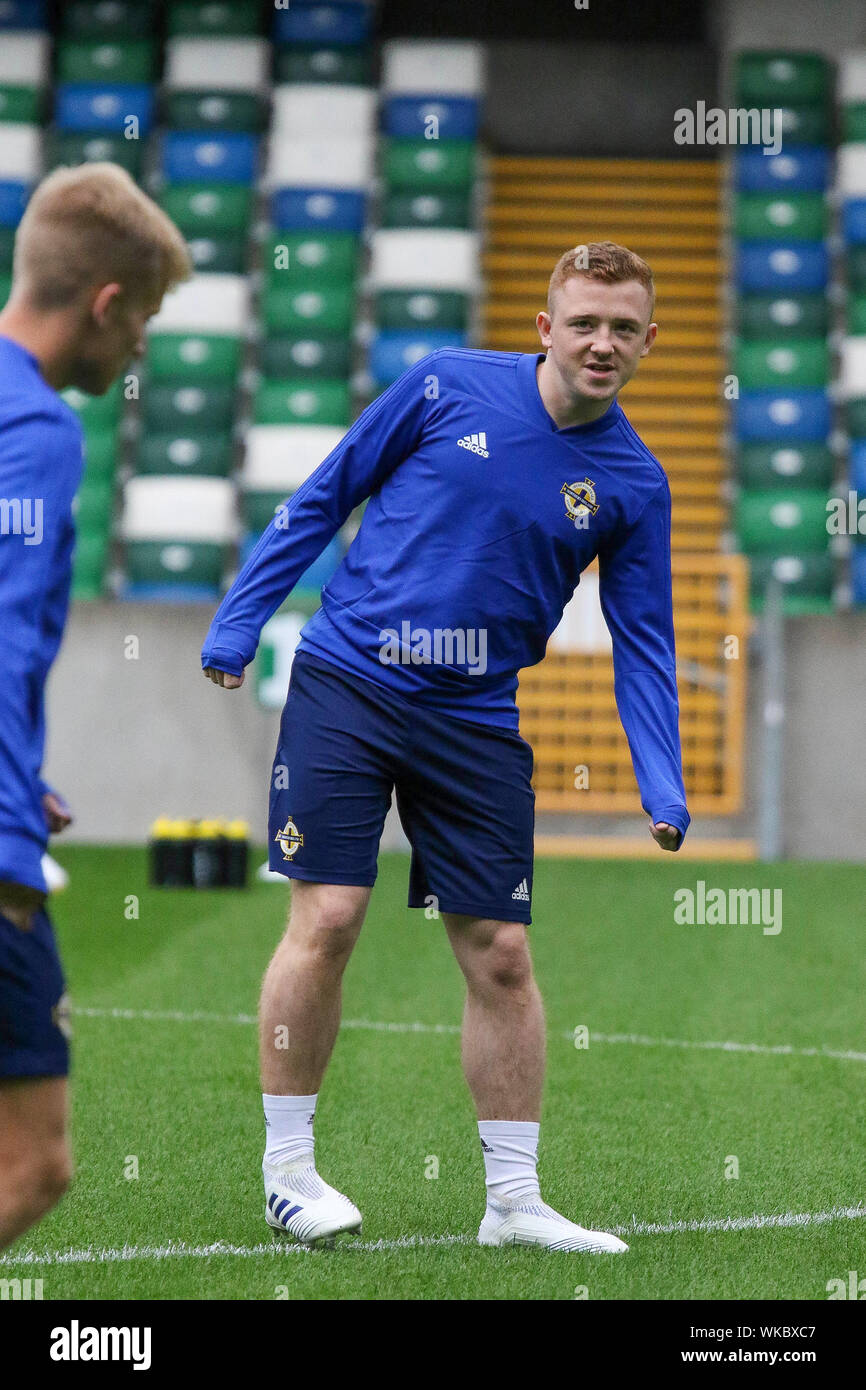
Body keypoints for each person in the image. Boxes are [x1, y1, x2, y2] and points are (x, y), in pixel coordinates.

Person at [202, 241, 689, 1253]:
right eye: (584, 322)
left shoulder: (634, 483)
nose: (602, 342)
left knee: (500, 954)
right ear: (544, 328)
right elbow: (326, 493)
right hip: (348, 680)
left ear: (648, 341)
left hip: (473, 718)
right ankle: (287, 1172)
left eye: (623, 327)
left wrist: (661, 784)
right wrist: (237, 624)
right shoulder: (442, 385)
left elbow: (644, 643)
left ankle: (512, 1201)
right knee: (329, 915)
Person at [0, 164, 191, 1252]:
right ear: (107, 302)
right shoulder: (35, 429)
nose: (140, 352)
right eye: (145, 321)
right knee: (31, 1162)